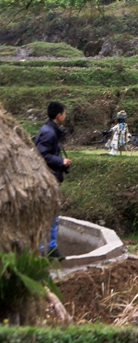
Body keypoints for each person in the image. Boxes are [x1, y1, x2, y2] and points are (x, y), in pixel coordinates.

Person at [35, 101, 70, 259]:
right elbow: (41, 154)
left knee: (52, 214)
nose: (65, 116)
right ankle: (46, 249)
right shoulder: (49, 133)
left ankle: (50, 248)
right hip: (48, 179)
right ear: (59, 115)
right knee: (50, 214)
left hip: (50, 177)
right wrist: (60, 161)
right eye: (64, 113)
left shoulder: (49, 130)